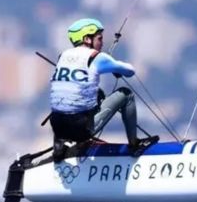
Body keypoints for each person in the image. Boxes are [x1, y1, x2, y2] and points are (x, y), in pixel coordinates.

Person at [48, 18, 157, 161]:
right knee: (126, 94)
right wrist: (116, 69)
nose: (102, 42)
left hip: (57, 127)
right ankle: (134, 145)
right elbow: (130, 71)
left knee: (72, 98)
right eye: (99, 38)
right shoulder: (96, 57)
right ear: (87, 39)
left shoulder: (62, 56)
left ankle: (59, 149)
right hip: (81, 130)